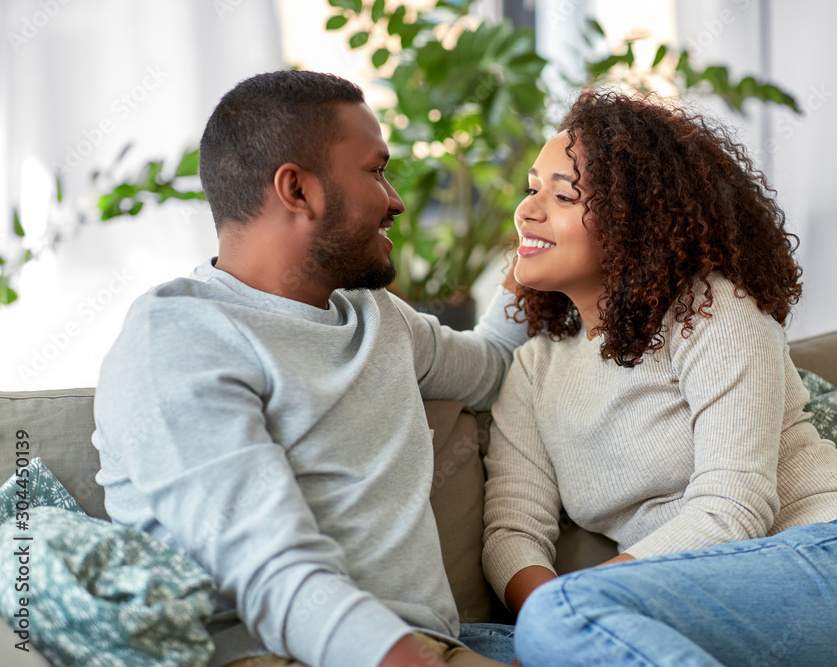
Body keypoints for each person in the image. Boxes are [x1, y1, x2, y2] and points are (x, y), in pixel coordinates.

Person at [481, 89, 837, 667]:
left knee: (556, 623)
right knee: (459, 643)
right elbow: (512, 531)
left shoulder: (710, 310)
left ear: (634, 220)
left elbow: (733, 510)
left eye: (563, 196)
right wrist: (551, 617)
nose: (527, 211)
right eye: (532, 189)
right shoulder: (534, 369)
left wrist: (572, 607)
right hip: (691, 611)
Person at [91, 70, 526, 667]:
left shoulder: (377, 317)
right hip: (277, 655)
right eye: (376, 171)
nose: (396, 201)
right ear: (296, 189)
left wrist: (535, 250)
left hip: (435, 646)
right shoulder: (178, 337)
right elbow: (275, 576)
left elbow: (495, 364)